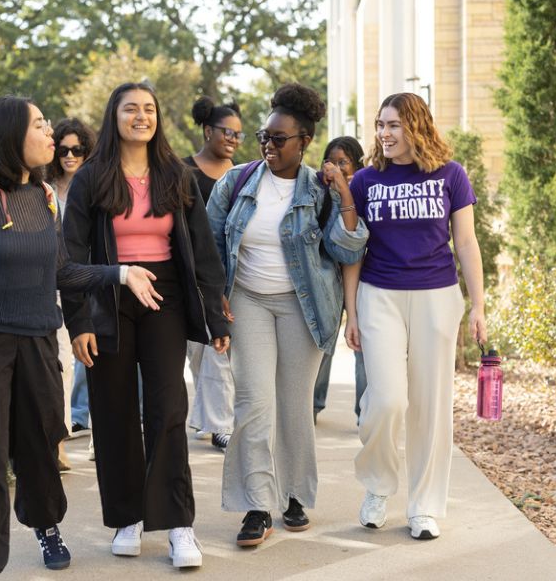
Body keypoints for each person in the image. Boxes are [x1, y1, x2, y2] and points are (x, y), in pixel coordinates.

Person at [0, 95, 162, 579]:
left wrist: (119, 274)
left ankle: (45, 525)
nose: (50, 136)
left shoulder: (44, 197)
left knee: (40, 445)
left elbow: (63, 271)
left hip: (37, 342)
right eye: (40, 126)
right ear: (10, 136)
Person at [61, 82, 230, 569]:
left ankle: (179, 524)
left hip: (165, 297)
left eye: (149, 109)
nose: (141, 116)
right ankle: (127, 516)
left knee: (169, 407)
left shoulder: (177, 174)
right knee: (113, 412)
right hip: (109, 298)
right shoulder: (93, 177)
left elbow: (202, 252)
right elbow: (71, 257)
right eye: (131, 108)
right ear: (114, 117)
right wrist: (78, 322)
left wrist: (216, 314)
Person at [206, 83, 369, 547]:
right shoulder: (234, 183)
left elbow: (344, 247)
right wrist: (215, 299)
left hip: (305, 307)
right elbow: (211, 246)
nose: (268, 145)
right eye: (265, 136)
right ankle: (257, 505)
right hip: (249, 301)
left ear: (304, 142)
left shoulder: (320, 190)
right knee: (254, 401)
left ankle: (294, 495)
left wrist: (346, 196)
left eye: (280, 139)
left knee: (295, 407)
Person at [344, 92, 488, 541]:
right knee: (387, 400)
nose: (383, 134)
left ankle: (423, 506)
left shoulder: (451, 175)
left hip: (436, 296)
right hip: (379, 294)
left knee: (430, 405)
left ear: (416, 127)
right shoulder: (365, 181)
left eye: (393, 125)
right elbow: (352, 252)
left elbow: (465, 242)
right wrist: (351, 312)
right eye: (379, 125)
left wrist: (478, 303)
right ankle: (378, 486)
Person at [183, 95, 244, 450]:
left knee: (222, 350)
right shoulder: (183, 171)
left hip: (233, 273)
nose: (233, 139)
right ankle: (210, 416)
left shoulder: (244, 174)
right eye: (226, 131)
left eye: (239, 134)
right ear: (207, 131)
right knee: (199, 351)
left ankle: (220, 422)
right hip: (192, 274)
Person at [47, 118, 97, 469]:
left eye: (77, 149)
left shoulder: (94, 187)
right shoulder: (44, 188)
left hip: (90, 282)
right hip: (54, 286)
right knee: (63, 365)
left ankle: (102, 439)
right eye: (62, 149)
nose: (69, 155)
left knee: (98, 362)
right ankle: (59, 443)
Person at [313, 136, 368, 422]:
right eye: (331, 161)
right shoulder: (320, 194)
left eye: (343, 162)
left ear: (357, 165)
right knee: (325, 343)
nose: (336, 168)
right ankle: (313, 403)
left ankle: (364, 410)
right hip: (329, 278)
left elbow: (352, 242)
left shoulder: (363, 191)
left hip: (365, 277)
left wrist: (345, 189)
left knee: (363, 345)